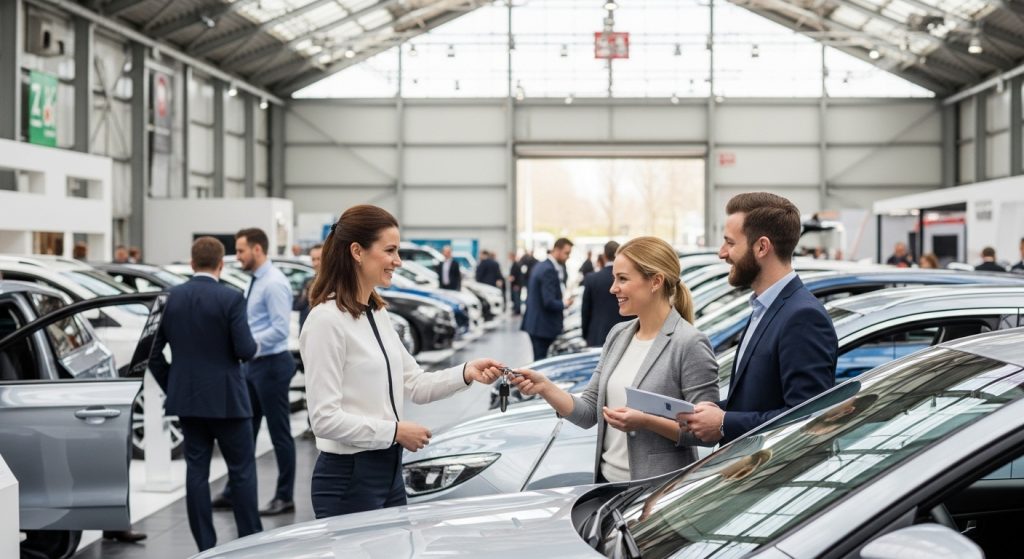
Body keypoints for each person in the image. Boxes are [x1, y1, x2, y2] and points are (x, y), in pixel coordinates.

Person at [300, 204, 505, 518]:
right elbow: (323, 419)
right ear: (357, 251)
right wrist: (394, 432)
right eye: (390, 250)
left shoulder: (377, 313)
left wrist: (467, 372)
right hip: (349, 479)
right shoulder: (325, 321)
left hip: (388, 471)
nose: (398, 261)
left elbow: (415, 383)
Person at [512, 236, 719, 482]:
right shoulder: (619, 334)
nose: (613, 288)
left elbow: (707, 433)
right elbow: (589, 412)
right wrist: (544, 387)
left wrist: (646, 421)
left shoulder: (689, 343)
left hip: (656, 494)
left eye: (622, 279)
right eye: (614, 279)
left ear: (655, 281)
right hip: (607, 486)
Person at [678, 192, 838, 446]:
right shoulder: (765, 306)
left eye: (730, 243)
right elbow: (760, 400)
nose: (722, 253)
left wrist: (723, 422)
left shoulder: (802, 317)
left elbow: (808, 417)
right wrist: (712, 412)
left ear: (762, 247)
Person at [148, 237, 261, 551]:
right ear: (221, 263)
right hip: (229, 400)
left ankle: (205, 546)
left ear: (192, 262)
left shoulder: (167, 298)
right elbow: (245, 349)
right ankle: (251, 540)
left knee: (196, 471)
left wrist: (174, 383)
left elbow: (152, 354)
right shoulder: (232, 298)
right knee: (241, 470)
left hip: (188, 401)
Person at [213, 228, 297, 516]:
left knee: (279, 435)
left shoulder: (273, 284)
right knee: (245, 432)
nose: (237, 257)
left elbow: (280, 330)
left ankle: (284, 496)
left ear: (257, 250)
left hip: (271, 366)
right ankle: (234, 491)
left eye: (240, 251)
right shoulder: (256, 281)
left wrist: (249, 346)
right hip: (254, 366)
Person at [521, 238, 573, 361]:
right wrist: (565, 304)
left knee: (539, 362)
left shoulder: (542, 265)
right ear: (557, 250)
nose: (568, 257)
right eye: (567, 253)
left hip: (536, 324)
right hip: (543, 327)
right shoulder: (548, 270)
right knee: (542, 365)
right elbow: (549, 302)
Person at [581, 240, 629, 348]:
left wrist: (586, 335)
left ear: (604, 256)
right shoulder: (631, 278)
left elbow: (586, 310)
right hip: (626, 336)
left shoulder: (592, 279)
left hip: (598, 335)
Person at [295, 243, 323, 331]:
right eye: (313, 259)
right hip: (305, 331)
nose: (315, 263)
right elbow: (298, 305)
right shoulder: (308, 281)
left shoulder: (334, 284)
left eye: (319, 259)